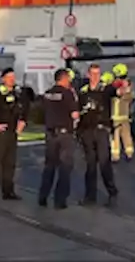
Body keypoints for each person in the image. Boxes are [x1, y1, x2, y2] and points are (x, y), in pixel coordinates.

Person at [77, 63, 119, 207]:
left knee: (104, 162)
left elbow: (117, 91)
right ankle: (90, 196)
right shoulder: (83, 92)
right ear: (88, 75)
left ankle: (112, 191)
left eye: (98, 74)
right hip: (87, 131)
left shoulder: (105, 89)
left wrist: (122, 85)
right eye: (93, 74)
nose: (95, 76)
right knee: (90, 165)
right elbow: (79, 111)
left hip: (101, 130)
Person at [38, 68, 79, 210]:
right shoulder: (67, 94)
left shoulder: (48, 93)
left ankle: (43, 196)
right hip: (64, 134)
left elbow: (41, 111)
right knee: (65, 167)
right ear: (64, 79)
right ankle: (60, 200)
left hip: (50, 134)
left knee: (49, 167)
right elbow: (74, 115)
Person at [0, 67, 26, 204]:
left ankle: (8, 191)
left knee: (10, 163)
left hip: (13, 133)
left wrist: (23, 121)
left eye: (13, 77)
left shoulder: (17, 93)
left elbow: (25, 107)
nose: (11, 80)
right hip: (0, 133)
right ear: (3, 79)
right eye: (9, 77)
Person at [109, 64, 135, 162]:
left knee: (119, 137)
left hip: (118, 116)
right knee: (124, 136)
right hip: (121, 116)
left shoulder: (123, 85)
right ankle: (126, 153)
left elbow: (128, 97)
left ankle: (119, 155)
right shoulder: (126, 85)